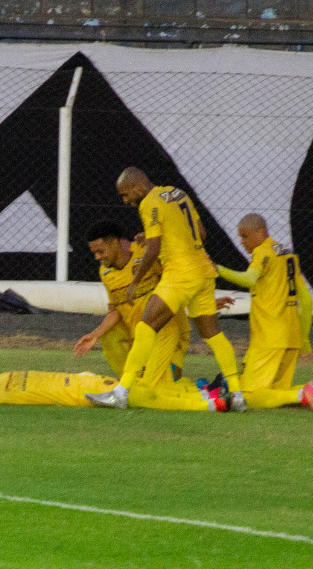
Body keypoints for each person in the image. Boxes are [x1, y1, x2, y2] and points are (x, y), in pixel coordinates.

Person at [86, 167, 247, 411]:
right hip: (204, 270)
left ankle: (120, 393)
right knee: (213, 334)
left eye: (126, 195)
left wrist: (135, 281)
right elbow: (201, 233)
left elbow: (152, 249)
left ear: (138, 189)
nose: (125, 201)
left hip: (180, 272)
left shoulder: (148, 203)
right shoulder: (177, 193)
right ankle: (237, 395)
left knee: (146, 325)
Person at [216, 214, 313, 411]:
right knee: (276, 392)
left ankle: (303, 393)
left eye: (245, 236)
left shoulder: (263, 252)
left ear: (261, 233)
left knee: (249, 397)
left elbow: (249, 279)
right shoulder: (288, 255)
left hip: (269, 336)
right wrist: (304, 342)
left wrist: (218, 269)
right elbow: (308, 302)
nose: (242, 242)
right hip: (291, 337)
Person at [74, 220, 191, 388]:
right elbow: (116, 309)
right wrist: (95, 334)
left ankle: (205, 391)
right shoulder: (105, 272)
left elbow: (178, 281)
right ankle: (130, 385)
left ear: (114, 242)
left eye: (100, 251)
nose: (97, 257)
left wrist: (200, 299)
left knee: (162, 388)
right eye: (94, 253)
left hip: (166, 333)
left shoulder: (147, 253)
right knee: (109, 336)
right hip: (137, 336)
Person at [0, 368, 224, 412]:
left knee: (146, 386)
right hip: (80, 393)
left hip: (84, 379)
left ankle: (206, 392)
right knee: (144, 397)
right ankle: (209, 403)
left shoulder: (0, 378)